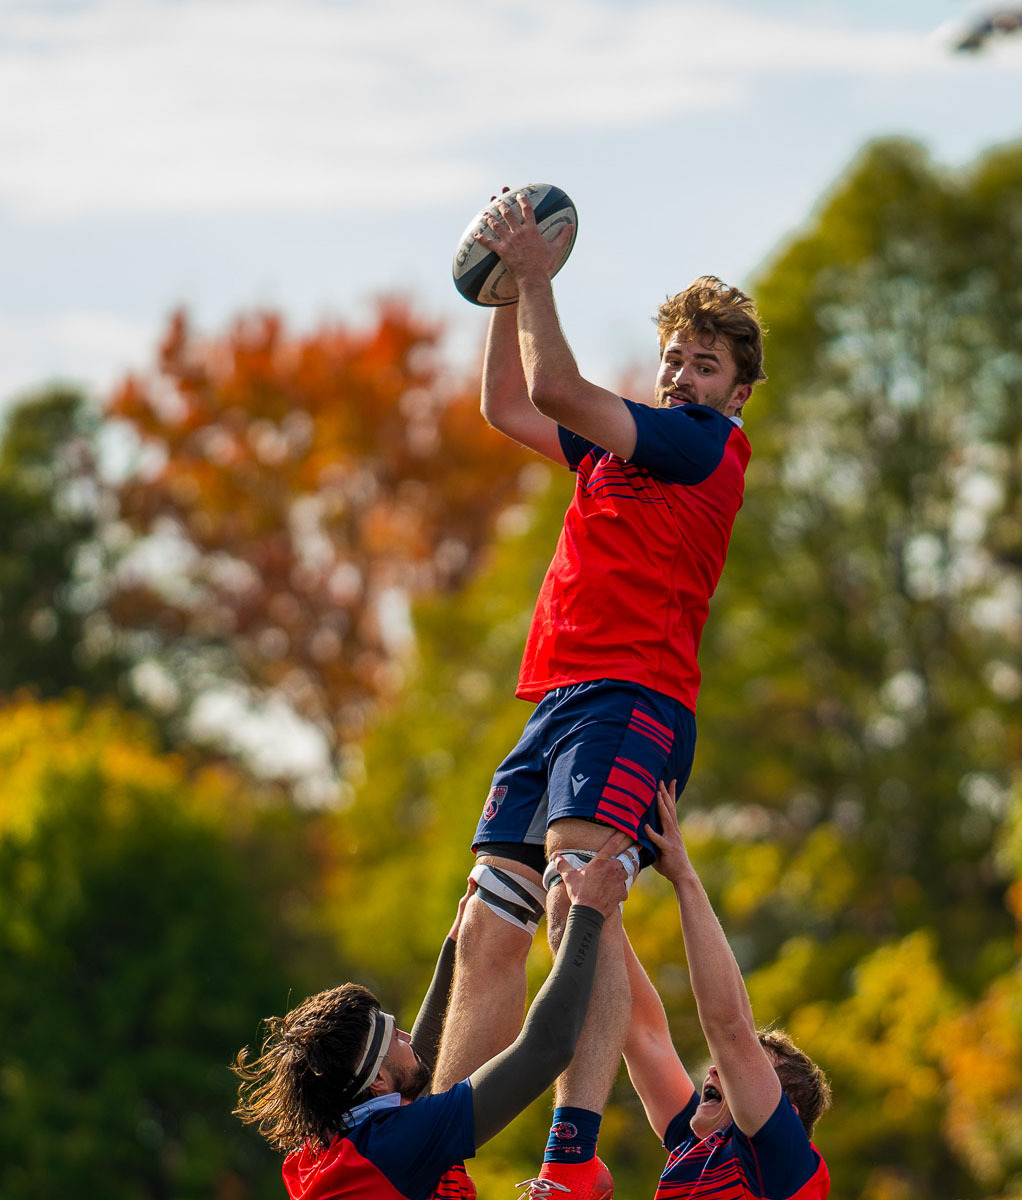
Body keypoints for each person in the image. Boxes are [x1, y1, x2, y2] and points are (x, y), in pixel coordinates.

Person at [432, 189, 767, 1200]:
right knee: (492, 922)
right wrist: (501, 289)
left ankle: (573, 1159)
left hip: (637, 701)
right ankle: (434, 1153)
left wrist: (534, 277)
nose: (681, 372)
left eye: (705, 364)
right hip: (561, 702)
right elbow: (508, 405)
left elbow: (564, 387)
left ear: (738, 393)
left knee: (583, 909)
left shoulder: (700, 447)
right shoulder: (629, 447)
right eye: (675, 355)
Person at [232, 845, 629, 1200]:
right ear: (377, 1084)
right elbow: (547, 1047)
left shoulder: (322, 1148)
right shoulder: (393, 1148)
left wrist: (453, 949)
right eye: (395, 1037)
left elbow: (415, 1063)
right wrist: (586, 913)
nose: (407, 1036)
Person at [623, 781, 832, 1200]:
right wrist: (587, 902)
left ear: (784, 1117)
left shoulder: (781, 1164)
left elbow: (729, 1027)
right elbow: (638, 1030)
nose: (716, 1070)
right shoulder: (698, 1145)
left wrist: (683, 875)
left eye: (744, 1072)